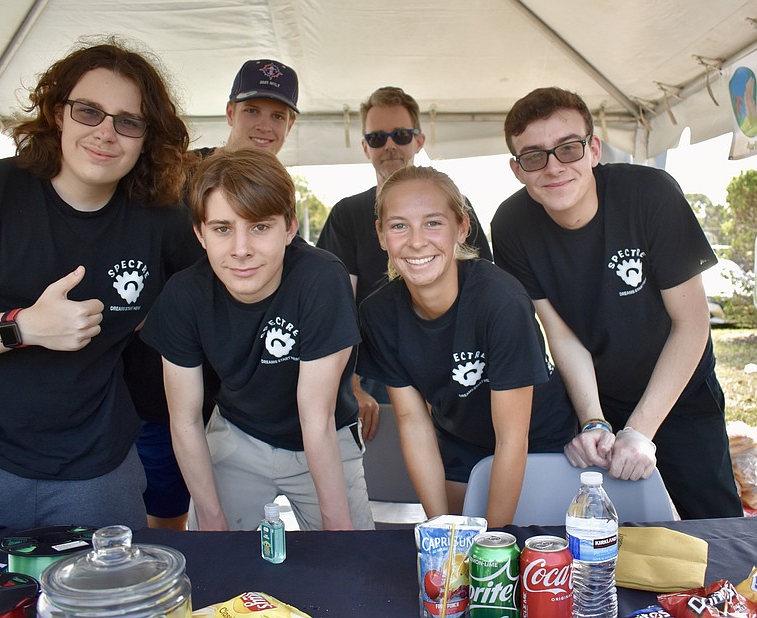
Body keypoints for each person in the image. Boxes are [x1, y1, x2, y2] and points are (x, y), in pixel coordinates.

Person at [0, 40, 199, 529]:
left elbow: (212, 304)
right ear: (57, 113)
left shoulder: (164, 223)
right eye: (89, 111)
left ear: (146, 138)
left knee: (109, 605)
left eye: (128, 121)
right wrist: (24, 327)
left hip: (100, 474)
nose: (106, 132)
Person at [490, 86, 742, 519]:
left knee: (714, 533)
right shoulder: (511, 225)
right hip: (598, 398)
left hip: (680, 393)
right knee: (605, 537)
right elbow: (561, 336)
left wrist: (641, 432)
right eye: (534, 156)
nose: (553, 167)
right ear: (518, 170)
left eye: (568, 148)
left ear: (593, 149)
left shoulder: (650, 195)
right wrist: (594, 421)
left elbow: (692, 324)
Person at [140, 147, 374, 531]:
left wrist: (338, 533)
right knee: (217, 564)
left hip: (322, 434)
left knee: (351, 561)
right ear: (200, 233)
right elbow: (183, 421)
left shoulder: (321, 279)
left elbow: (314, 416)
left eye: (260, 227)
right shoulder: (186, 295)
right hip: (238, 434)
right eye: (222, 229)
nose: (241, 249)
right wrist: (212, 519)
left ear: (290, 228)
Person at [124, 58, 300, 531]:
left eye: (278, 115)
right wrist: (150, 315)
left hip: (239, 400)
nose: (264, 125)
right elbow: (129, 258)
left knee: (226, 529)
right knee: (169, 518)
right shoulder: (176, 176)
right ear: (229, 112)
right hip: (161, 389)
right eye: (253, 110)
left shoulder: (279, 193)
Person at [357, 165, 576, 526]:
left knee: (509, 547)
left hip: (537, 440)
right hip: (461, 438)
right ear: (381, 235)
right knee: (456, 533)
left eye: (432, 223)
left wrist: (492, 542)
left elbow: (512, 438)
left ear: (462, 227)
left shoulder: (500, 301)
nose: (415, 241)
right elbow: (413, 422)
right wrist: (444, 530)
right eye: (398, 225)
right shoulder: (378, 313)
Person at [317, 86, 492, 439]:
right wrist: (350, 384)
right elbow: (338, 306)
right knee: (387, 482)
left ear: (419, 140)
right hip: (374, 370)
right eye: (377, 138)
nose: (389, 146)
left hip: (452, 363)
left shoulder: (457, 204)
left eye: (400, 135)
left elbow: (481, 294)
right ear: (365, 146)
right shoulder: (348, 214)